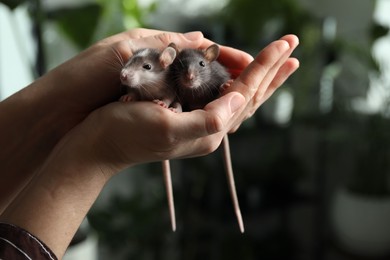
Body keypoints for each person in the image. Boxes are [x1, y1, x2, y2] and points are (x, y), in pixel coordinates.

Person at [0, 28, 299, 259]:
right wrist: (99, 150)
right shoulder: (166, 72)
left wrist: (51, 111)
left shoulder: (183, 72)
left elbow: (177, 90)